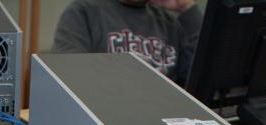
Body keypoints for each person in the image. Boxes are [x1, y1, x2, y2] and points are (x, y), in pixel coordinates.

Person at [52, 0, 203, 85]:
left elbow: (199, 78)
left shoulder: (169, 21)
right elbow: (68, 75)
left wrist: (187, 7)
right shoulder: (83, 11)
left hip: (163, 119)